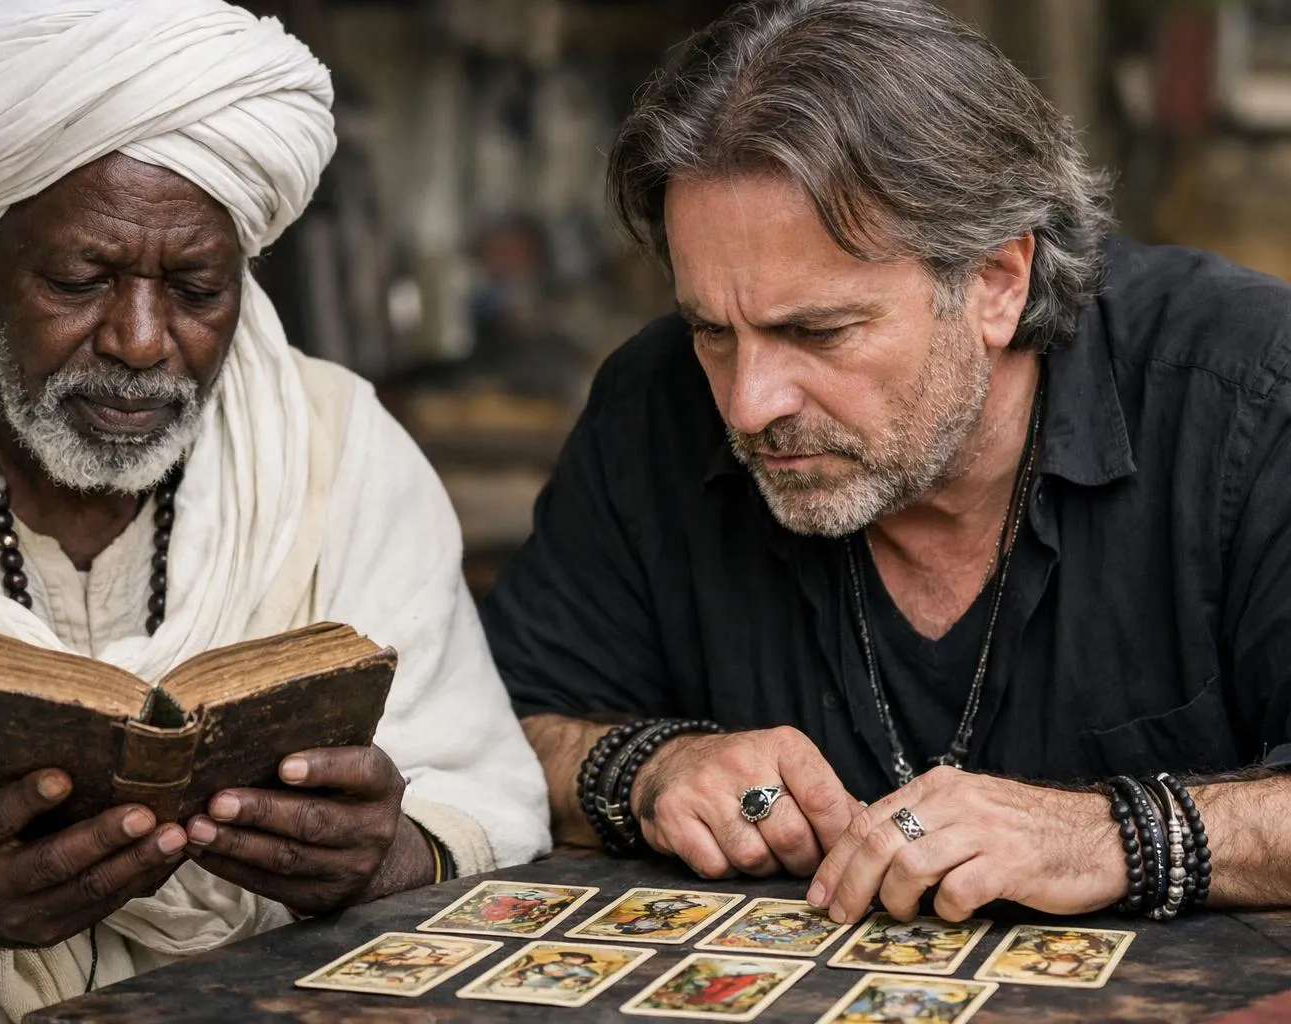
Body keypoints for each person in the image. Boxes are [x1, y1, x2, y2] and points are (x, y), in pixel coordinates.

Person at [0, 2, 550, 1022]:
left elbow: (485, 798)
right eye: (82, 278)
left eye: (196, 288)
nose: (140, 340)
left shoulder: (339, 447)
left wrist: (386, 854)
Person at [480, 0, 1291, 933]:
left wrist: (1112, 836)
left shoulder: (1248, 396)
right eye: (712, 330)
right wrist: (646, 769)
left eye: (816, 331)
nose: (750, 405)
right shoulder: (655, 405)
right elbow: (495, 734)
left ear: (996, 283)